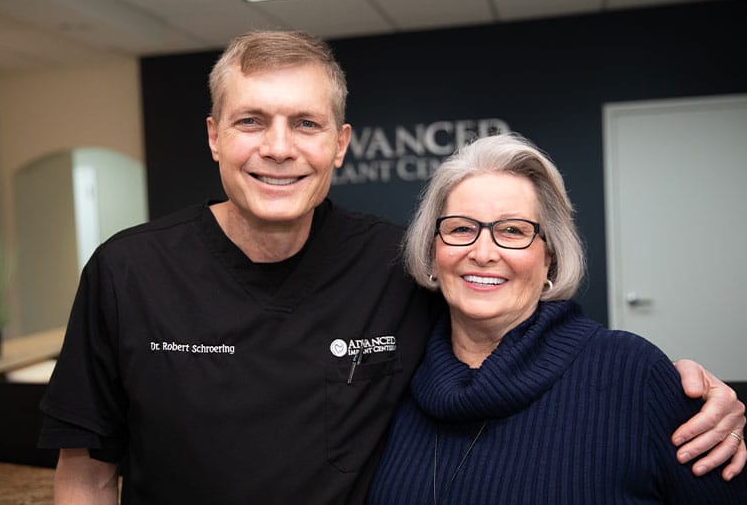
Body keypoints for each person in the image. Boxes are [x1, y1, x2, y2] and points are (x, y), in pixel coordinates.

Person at [38, 31, 746, 504]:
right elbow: (87, 472)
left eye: (306, 124)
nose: (278, 147)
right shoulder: (126, 270)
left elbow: (518, 326)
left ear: (340, 143)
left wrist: (689, 388)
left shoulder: (393, 264)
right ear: (214, 137)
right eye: (252, 120)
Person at [366, 132, 747, 504]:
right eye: (461, 228)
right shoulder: (393, 378)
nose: (483, 252)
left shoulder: (634, 375)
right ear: (433, 251)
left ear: (550, 256)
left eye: (513, 231)